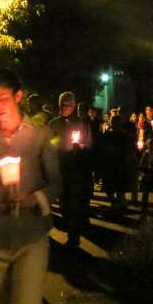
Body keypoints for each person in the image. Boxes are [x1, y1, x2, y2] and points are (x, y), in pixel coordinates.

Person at [0, 68, 61, 304]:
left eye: (2, 99)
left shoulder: (41, 136)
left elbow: (55, 183)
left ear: (18, 96)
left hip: (30, 236)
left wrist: (34, 198)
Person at [48, 91, 92, 248]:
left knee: (74, 203)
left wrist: (79, 147)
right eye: (61, 103)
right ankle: (71, 227)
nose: (63, 107)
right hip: (60, 168)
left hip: (75, 169)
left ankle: (74, 236)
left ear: (73, 106)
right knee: (63, 204)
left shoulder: (82, 123)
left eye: (67, 104)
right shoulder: (54, 123)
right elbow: (48, 145)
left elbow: (89, 144)